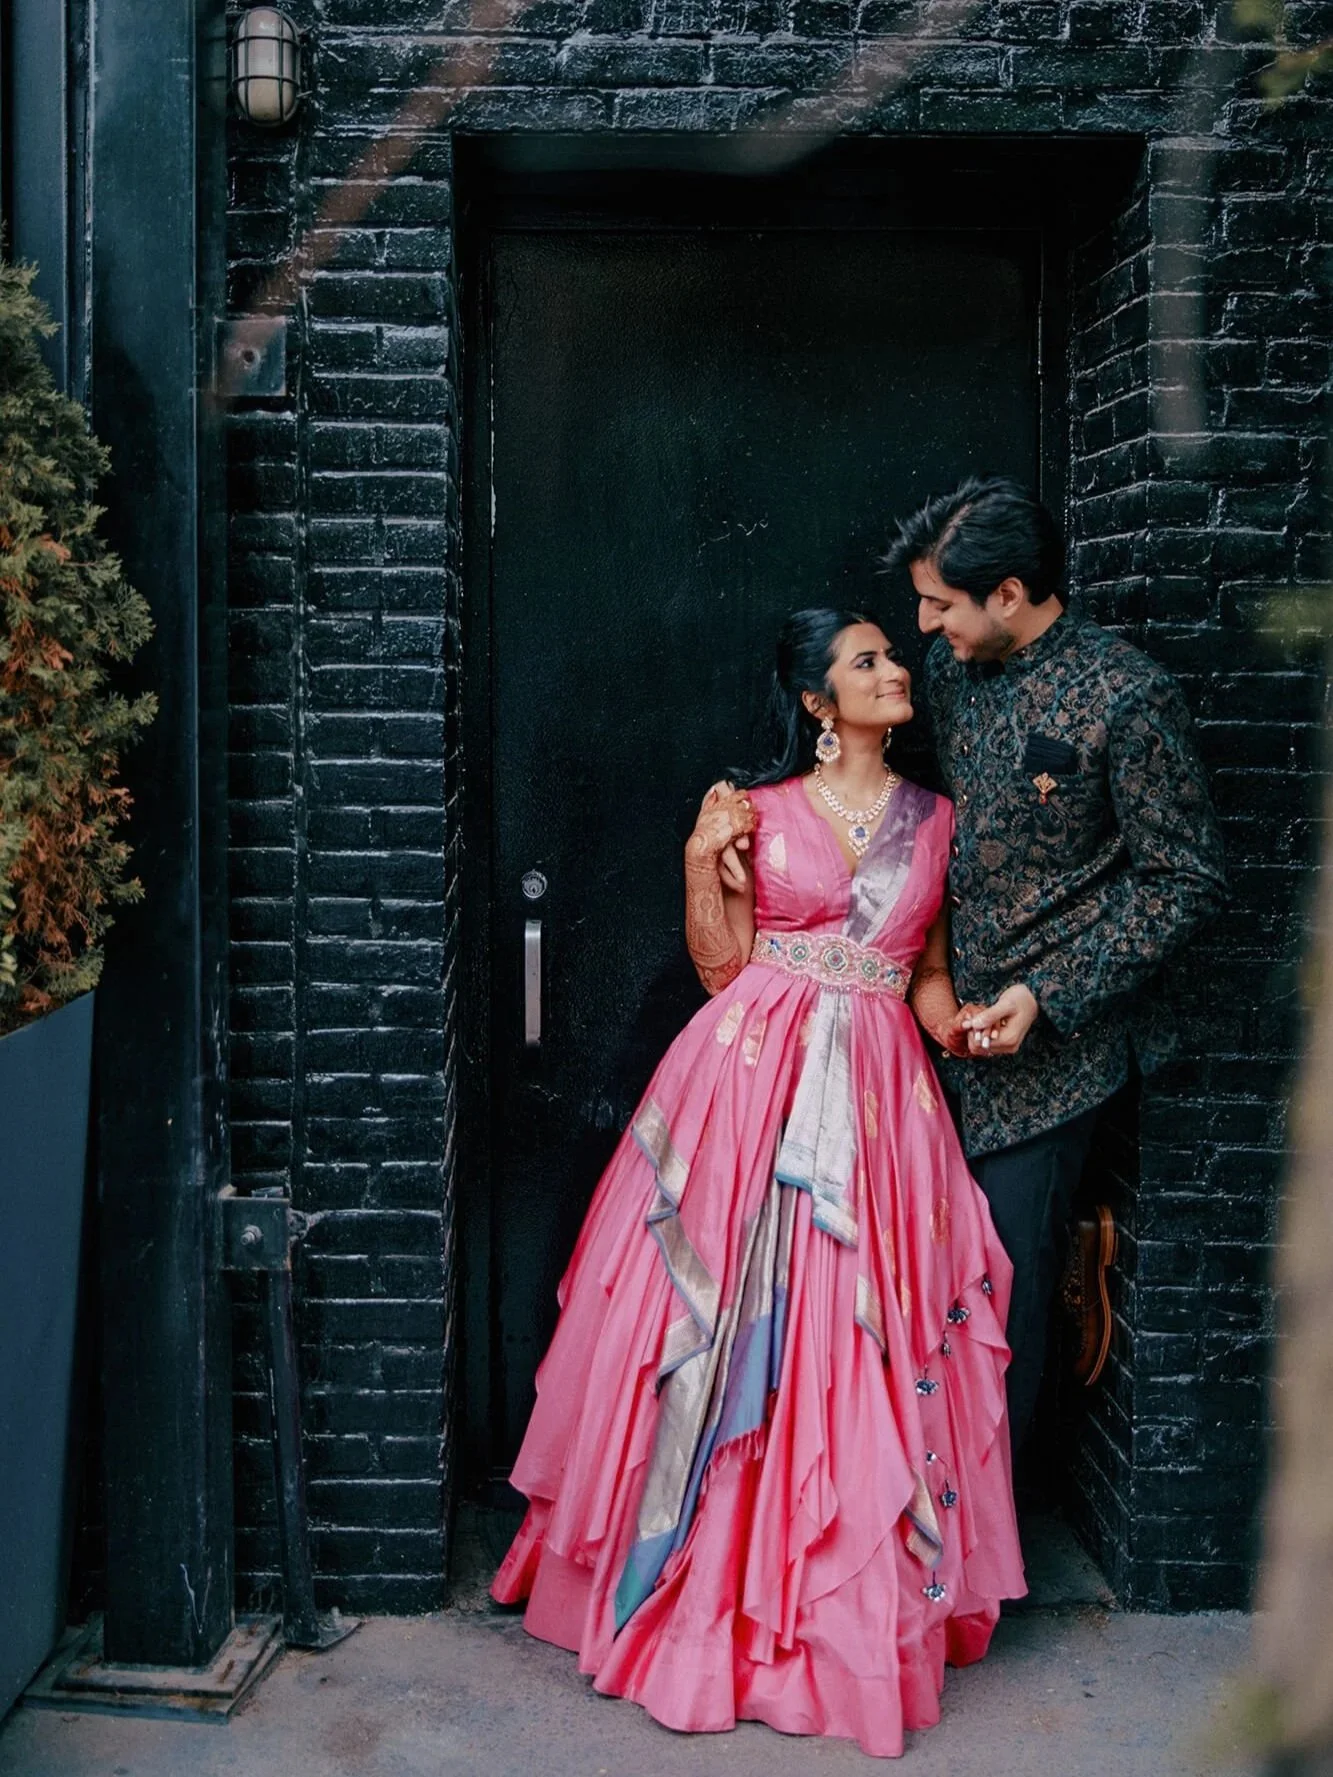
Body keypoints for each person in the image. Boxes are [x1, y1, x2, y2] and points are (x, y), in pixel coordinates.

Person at [492, 609, 1025, 1759]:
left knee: (857, 1330)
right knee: (726, 1327)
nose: (895, 672)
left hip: (884, 1098)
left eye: (892, 655)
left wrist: (967, 1029)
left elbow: (924, 979)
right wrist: (699, 861)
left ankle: (828, 1609)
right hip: (747, 1087)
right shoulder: (754, 810)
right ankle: (705, 1594)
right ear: (819, 706)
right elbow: (722, 965)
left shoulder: (939, 820)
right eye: (868, 663)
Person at [880, 475, 1227, 1449]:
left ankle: (980, 1561)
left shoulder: (1127, 696)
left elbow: (1185, 881)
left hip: (1049, 1070)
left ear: (1009, 593)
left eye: (940, 601)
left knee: (1002, 1317)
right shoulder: (947, 678)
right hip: (925, 1052)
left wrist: (1049, 992)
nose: (923, 621)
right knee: (909, 1298)